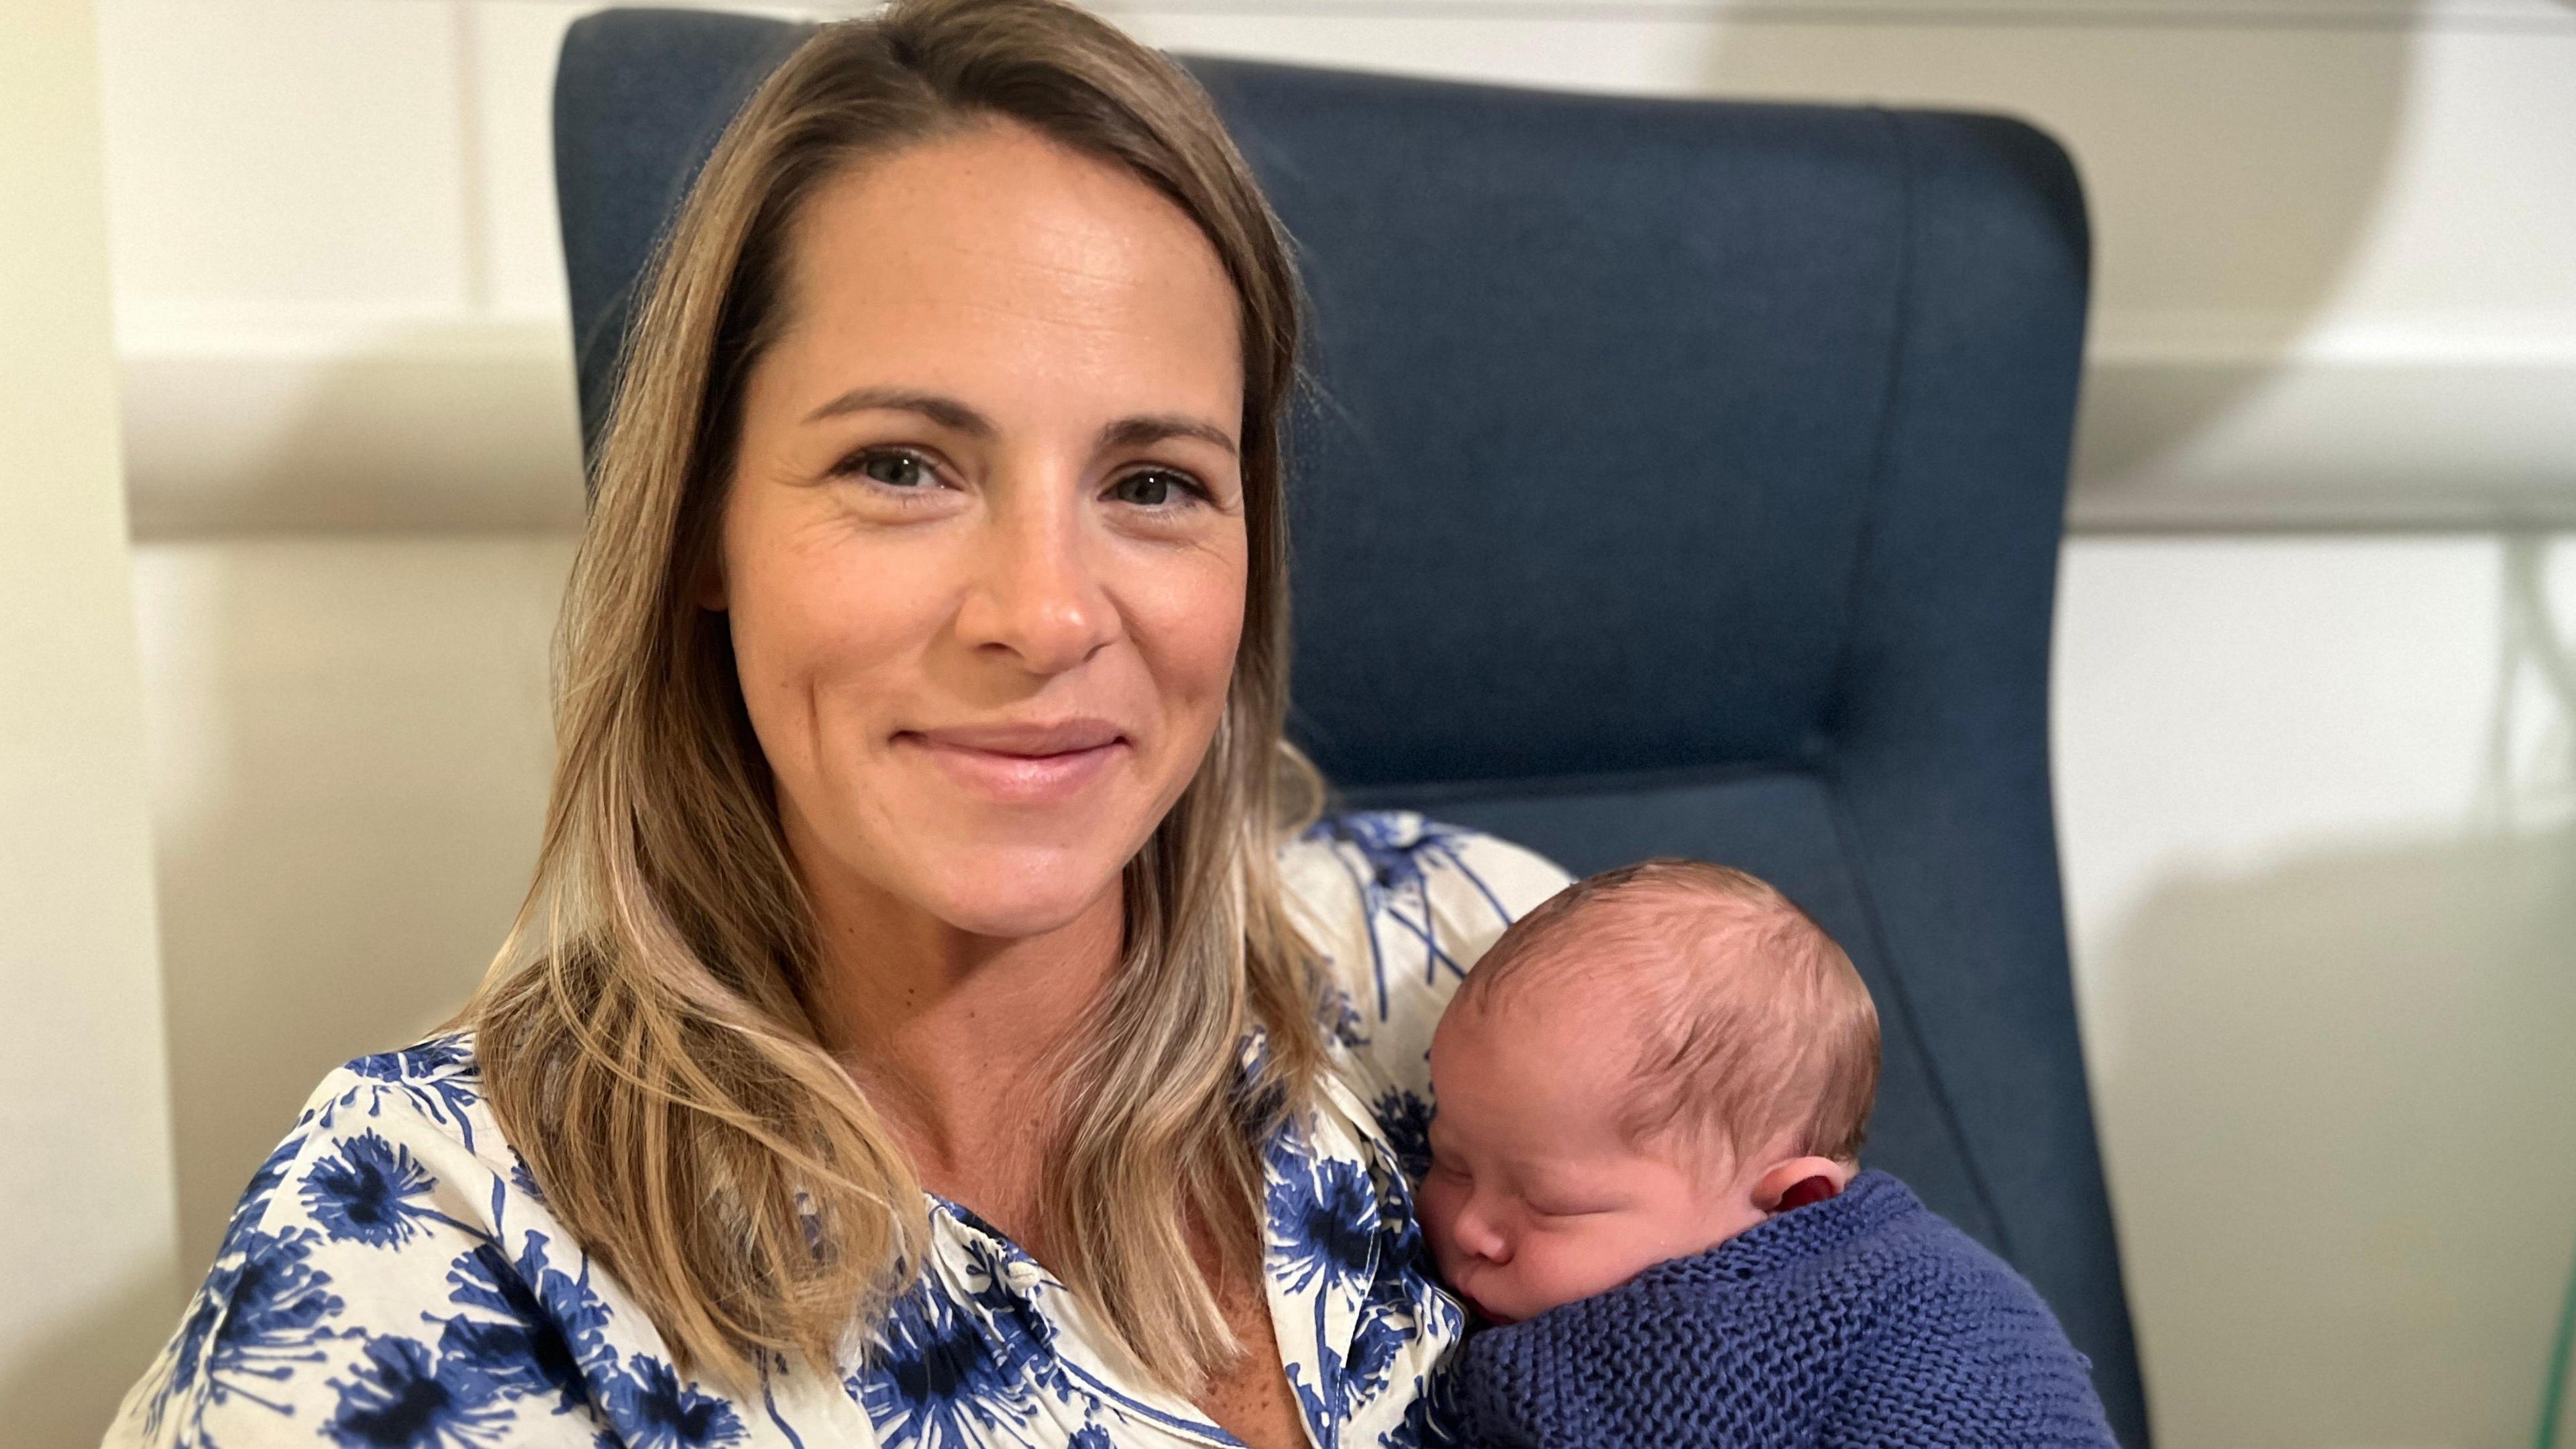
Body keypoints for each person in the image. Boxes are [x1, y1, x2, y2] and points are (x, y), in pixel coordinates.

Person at [102, 3, 1569, 1445]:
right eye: (901, 466)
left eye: (1154, 484)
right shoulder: (421, 1261)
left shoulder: (1468, 975)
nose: (1047, 616)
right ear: (701, 533)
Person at [1418, 859, 2117, 1448]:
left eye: (1550, 1203)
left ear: (1791, 1204)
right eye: (1450, 1161)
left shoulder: (1693, 1348)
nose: (1473, 1227)